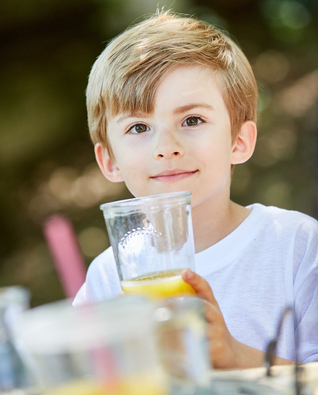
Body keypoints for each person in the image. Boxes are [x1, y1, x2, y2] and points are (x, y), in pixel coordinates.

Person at [73, 9, 318, 369]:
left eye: (192, 120)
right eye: (139, 128)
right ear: (109, 159)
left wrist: (235, 356)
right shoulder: (109, 277)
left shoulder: (297, 247)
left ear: (239, 140)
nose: (166, 146)